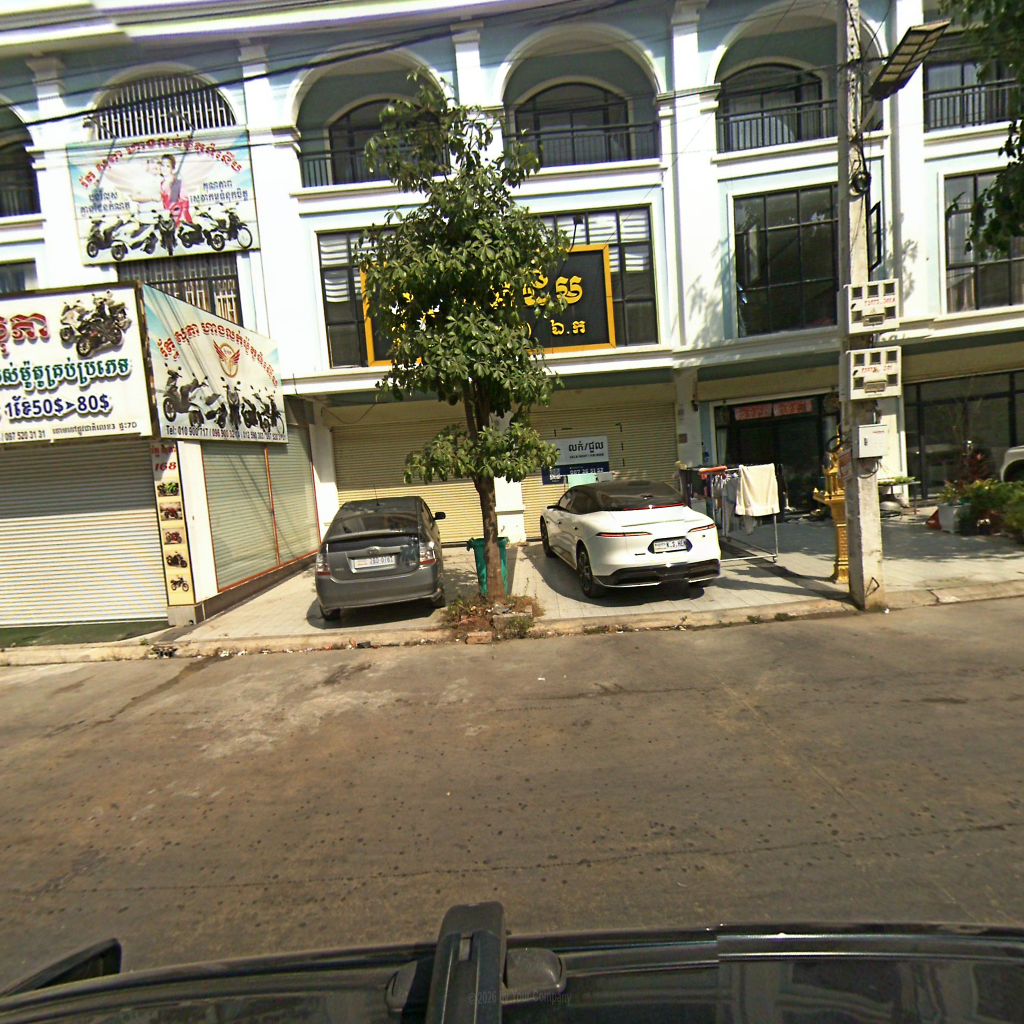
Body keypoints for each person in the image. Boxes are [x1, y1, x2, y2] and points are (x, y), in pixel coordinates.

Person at [159, 154, 192, 226]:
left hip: (178, 219)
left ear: (172, 168)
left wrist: (181, 220)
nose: (164, 168)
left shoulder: (177, 182)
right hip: (166, 220)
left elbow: (184, 203)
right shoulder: (161, 183)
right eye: (162, 165)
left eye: (168, 166)